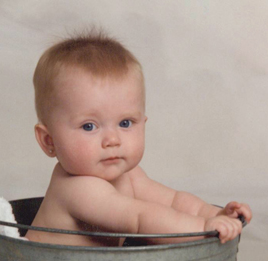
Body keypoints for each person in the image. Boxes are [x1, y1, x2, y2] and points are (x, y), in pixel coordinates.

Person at [26, 31, 252, 246]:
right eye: (89, 126)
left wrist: (213, 214)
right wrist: (202, 227)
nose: (112, 140)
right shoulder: (77, 188)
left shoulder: (129, 176)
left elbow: (173, 201)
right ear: (49, 141)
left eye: (125, 123)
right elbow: (140, 218)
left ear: (143, 123)